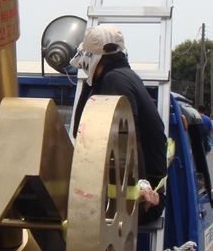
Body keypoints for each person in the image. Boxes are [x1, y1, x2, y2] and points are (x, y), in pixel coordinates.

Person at [71, 25, 168, 222]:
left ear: (95, 58)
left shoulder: (114, 81)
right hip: (135, 197)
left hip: (136, 201)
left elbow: (128, 138)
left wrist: (141, 186)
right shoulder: (124, 76)